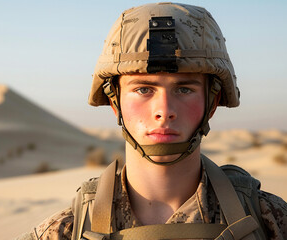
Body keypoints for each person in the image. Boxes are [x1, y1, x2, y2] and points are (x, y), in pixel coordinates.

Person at [17, 2, 287, 240]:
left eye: (184, 89)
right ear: (115, 102)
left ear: (212, 102)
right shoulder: (64, 232)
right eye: (143, 89)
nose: (164, 110)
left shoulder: (270, 221)